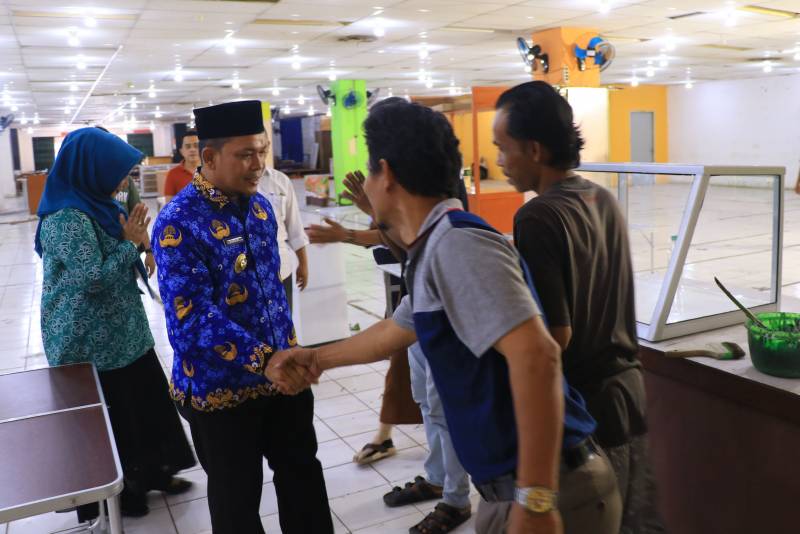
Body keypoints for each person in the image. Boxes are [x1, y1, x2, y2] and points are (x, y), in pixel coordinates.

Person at [268, 98, 622, 534]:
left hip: (551, 491)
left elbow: (538, 356)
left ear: (387, 174)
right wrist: (316, 359)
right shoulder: (435, 243)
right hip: (512, 488)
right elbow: (396, 329)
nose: (367, 186)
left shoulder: (458, 245)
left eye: (370, 172)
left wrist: (535, 502)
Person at [151, 100, 333, 534]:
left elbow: (272, 294)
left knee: (303, 477)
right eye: (246, 154)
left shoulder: (260, 208)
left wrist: (286, 354)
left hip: (283, 378)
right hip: (221, 392)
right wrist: (263, 358)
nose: (258, 164)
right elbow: (190, 321)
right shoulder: (179, 224)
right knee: (237, 499)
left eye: (262, 152)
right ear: (209, 157)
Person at [495, 80, 666, 534]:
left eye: (503, 148)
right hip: (630, 396)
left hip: (587, 413)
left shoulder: (537, 216)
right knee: (633, 522)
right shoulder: (602, 198)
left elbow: (557, 336)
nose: (499, 161)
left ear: (534, 149)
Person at [35, 127, 196, 522]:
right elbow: (92, 279)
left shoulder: (99, 205)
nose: (125, 183)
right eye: (119, 173)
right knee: (113, 415)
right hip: (88, 340)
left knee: (142, 402)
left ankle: (154, 473)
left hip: (123, 330)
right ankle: (121, 492)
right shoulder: (66, 219)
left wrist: (137, 243)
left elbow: (119, 258)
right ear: (92, 169)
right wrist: (130, 243)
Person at [314, 170, 472, 533]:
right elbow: (403, 244)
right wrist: (371, 216)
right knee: (427, 402)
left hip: (436, 314)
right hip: (416, 304)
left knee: (443, 408)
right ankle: (437, 478)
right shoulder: (406, 197)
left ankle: (456, 498)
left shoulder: (444, 207)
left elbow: (409, 236)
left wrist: (358, 227)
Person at [257, 166, 309, 310]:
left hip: (282, 270)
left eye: (261, 154)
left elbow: (295, 227)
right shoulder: (233, 180)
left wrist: (303, 264)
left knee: (284, 319)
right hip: (247, 275)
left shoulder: (281, 181)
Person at [164, 129, 200, 203]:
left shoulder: (212, 172)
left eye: (196, 146)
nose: (192, 149)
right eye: (188, 146)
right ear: (181, 151)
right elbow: (169, 205)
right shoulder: (172, 174)